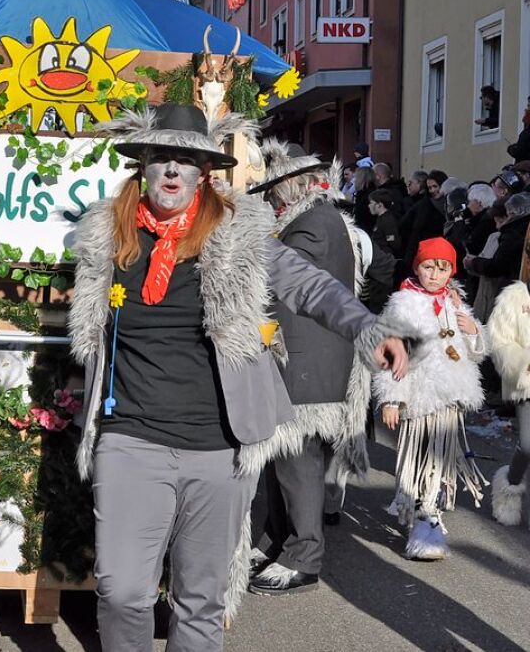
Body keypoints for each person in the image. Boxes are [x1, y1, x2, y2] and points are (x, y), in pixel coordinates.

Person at [68, 103, 410, 651]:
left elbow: (311, 287)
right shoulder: (107, 238)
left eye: (186, 159)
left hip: (218, 447)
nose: (173, 171)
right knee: (121, 592)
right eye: (162, 159)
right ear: (143, 167)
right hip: (130, 439)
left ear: (205, 171)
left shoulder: (238, 235)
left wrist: (369, 329)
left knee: (199, 602)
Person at [244, 142, 374, 597]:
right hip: (300, 359)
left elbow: (279, 281)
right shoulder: (310, 219)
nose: (271, 200)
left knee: (298, 464)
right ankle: (282, 542)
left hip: (308, 363)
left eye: (274, 191)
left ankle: (304, 556)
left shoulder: (314, 223)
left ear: (292, 184)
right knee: (283, 462)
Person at [376, 238, 487, 560]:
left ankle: (430, 515)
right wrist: (391, 399)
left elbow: (477, 356)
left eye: (442, 269)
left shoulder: (455, 302)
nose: (435, 275)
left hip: (450, 398)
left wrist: (473, 331)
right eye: (428, 267)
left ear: (452, 271)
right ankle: (417, 515)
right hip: (418, 396)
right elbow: (390, 353)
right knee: (417, 460)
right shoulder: (403, 304)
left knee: (440, 463)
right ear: (417, 267)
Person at [485, 276, 530, 527]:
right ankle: (509, 485)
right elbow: (499, 341)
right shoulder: (514, 297)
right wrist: (523, 364)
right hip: (527, 382)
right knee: (527, 445)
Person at [464, 192, 530, 283]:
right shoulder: (524, 229)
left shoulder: (513, 234)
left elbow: (498, 266)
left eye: (500, 221)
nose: (497, 227)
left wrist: (473, 262)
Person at [400, 169, 448, 272]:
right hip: (424, 251)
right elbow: (413, 230)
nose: (432, 191)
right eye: (430, 187)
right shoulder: (424, 206)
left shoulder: (446, 204)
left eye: (435, 186)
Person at [368, 189, 401, 258]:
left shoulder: (387, 221)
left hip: (384, 259)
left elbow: (393, 243)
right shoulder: (381, 219)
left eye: (371, 203)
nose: (369, 205)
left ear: (379, 205)